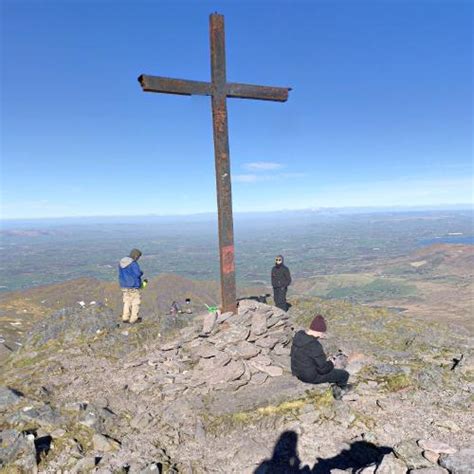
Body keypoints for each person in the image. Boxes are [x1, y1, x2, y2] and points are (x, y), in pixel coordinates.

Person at [290, 314, 350, 399]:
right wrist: (332, 363)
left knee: (329, 369)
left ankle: (333, 384)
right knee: (344, 374)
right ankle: (340, 392)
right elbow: (323, 370)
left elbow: (308, 357)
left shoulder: (298, 336)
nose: (323, 335)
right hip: (310, 377)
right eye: (323, 332)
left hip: (298, 373)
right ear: (319, 331)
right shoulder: (314, 345)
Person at [118, 248, 144, 324]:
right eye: (138, 257)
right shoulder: (133, 263)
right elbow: (137, 274)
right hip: (133, 285)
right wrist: (141, 273)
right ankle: (134, 319)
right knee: (136, 301)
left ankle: (125, 317)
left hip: (124, 285)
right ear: (136, 256)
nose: (138, 258)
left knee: (127, 301)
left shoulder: (121, 262)